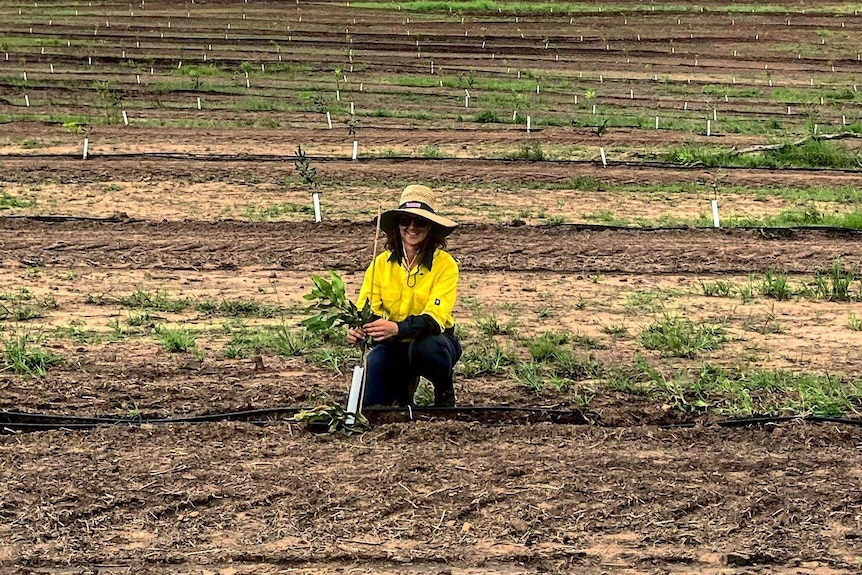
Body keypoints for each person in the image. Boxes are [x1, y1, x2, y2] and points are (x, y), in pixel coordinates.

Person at [347, 184, 462, 407]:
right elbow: (367, 311)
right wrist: (359, 329)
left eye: (420, 222)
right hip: (392, 345)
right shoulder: (380, 264)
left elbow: (434, 319)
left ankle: (443, 386)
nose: (412, 227)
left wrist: (397, 327)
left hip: (433, 343)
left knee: (425, 350)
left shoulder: (445, 265)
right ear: (396, 226)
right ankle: (403, 388)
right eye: (405, 221)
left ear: (431, 227)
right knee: (370, 406)